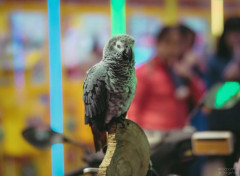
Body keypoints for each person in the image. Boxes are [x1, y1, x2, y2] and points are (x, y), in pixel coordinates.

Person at [127, 25, 205, 132]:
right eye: (169, 43)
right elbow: (133, 108)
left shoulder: (181, 72)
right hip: (153, 136)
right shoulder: (145, 72)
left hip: (178, 134)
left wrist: (190, 77)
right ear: (158, 43)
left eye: (179, 44)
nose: (174, 49)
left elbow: (202, 103)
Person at [206, 17, 240, 88]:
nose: (237, 38)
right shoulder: (215, 61)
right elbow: (208, 88)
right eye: (233, 34)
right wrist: (225, 78)